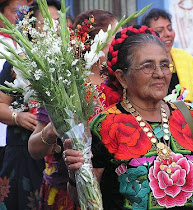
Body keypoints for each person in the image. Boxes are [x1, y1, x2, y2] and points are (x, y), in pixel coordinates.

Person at [63, 25, 193, 210]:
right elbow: (86, 199)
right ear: (122, 77)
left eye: (164, 65)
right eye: (147, 66)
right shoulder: (105, 126)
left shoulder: (189, 117)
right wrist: (74, 174)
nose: (159, 74)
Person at [28, 9, 119, 209]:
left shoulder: (120, 81)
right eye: (115, 35)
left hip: (116, 189)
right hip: (69, 191)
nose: (120, 41)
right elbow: (35, 149)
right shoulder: (65, 85)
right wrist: (54, 129)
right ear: (97, 41)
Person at [0, 1, 61, 209]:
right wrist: (18, 117)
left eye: (57, 22)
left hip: (57, 156)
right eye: (45, 23)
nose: (52, 28)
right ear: (31, 28)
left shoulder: (67, 62)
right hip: (23, 153)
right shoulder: (17, 62)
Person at [0, 0, 31, 167]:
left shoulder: (29, 44)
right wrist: (15, 117)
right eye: (14, 11)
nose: (21, 16)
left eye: (25, 11)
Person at [141, 8, 193, 102]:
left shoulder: (187, 59)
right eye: (159, 31)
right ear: (147, 35)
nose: (168, 34)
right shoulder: (143, 63)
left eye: (170, 28)